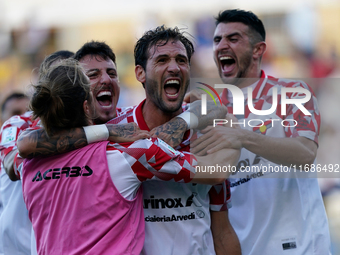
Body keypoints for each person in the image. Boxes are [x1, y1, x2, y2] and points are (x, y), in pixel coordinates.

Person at [17, 27, 241, 255]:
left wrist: (190, 119)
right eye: (162, 60)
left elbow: (222, 229)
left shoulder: (206, 133)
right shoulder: (119, 145)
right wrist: (233, 133)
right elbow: (27, 142)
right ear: (140, 73)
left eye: (181, 60)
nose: (174, 67)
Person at [191, 9, 331, 255]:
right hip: (243, 248)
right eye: (217, 40)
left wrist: (242, 137)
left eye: (233, 39)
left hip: (301, 247)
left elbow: (305, 153)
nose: (221, 46)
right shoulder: (210, 110)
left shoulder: (293, 93)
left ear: (258, 49)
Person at [0, 51, 74, 255]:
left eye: (71, 78)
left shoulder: (88, 127)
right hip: (16, 250)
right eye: (56, 77)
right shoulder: (17, 124)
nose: (64, 86)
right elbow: (13, 165)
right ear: (42, 86)